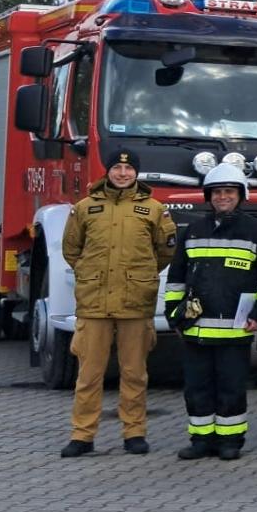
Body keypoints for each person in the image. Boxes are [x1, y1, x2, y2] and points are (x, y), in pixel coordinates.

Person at [59, 149, 177, 458]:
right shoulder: (85, 208)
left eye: (128, 168)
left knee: (134, 372)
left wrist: (141, 276)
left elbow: (164, 252)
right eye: (117, 167)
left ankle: (134, 432)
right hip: (94, 302)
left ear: (136, 173)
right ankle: (82, 435)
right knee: (89, 374)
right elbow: (71, 249)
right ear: (108, 171)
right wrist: (88, 272)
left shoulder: (154, 210)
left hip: (135, 302)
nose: (123, 173)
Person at [165, 163, 257, 460]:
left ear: (241, 195)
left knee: (231, 387)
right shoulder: (193, 232)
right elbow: (177, 276)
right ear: (208, 196)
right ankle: (200, 439)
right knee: (197, 387)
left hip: (235, 330)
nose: (223, 197)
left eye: (229, 192)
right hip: (195, 329)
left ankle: (230, 440)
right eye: (217, 192)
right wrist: (174, 313)